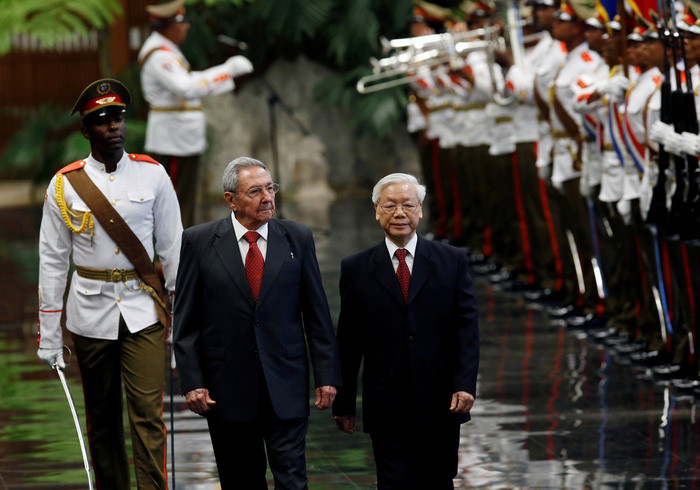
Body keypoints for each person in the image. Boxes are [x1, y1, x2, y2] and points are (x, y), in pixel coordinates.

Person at [37, 78, 183, 488]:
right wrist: (50, 335)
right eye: (102, 120)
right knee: (101, 418)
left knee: (147, 415)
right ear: (86, 130)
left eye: (117, 117)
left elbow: (173, 250)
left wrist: (183, 320)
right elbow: (52, 260)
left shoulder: (152, 175)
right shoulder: (65, 184)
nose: (113, 126)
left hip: (143, 309)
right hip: (90, 310)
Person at [173, 156, 341, 488]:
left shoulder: (298, 237)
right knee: (241, 480)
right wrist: (193, 382)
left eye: (270, 188)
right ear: (230, 200)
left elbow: (317, 315)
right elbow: (186, 321)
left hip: (287, 382)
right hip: (227, 390)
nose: (267, 198)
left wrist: (326, 376)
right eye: (255, 191)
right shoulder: (200, 241)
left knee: (292, 478)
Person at [332, 173, 480, 489]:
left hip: (441, 398)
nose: (400, 213)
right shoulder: (356, 268)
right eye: (390, 206)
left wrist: (465, 384)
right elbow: (349, 340)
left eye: (407, 205)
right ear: (376, 211)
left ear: (420, 210)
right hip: (386, 400)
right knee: (393, 481)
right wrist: (343, 403)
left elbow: (466, 329)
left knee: (439, 480)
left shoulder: (451, 261)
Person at [139, 0, 253, 227]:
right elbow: (187, 87)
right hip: (172, 140)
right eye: (182, 22)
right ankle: (171, 259)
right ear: (169, 26)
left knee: (183, 201)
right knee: (173, 202)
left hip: (179, 137)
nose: (187, 27)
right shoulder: (160, 55)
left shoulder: (168, 50)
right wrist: (226, 71)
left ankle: (184, 252)